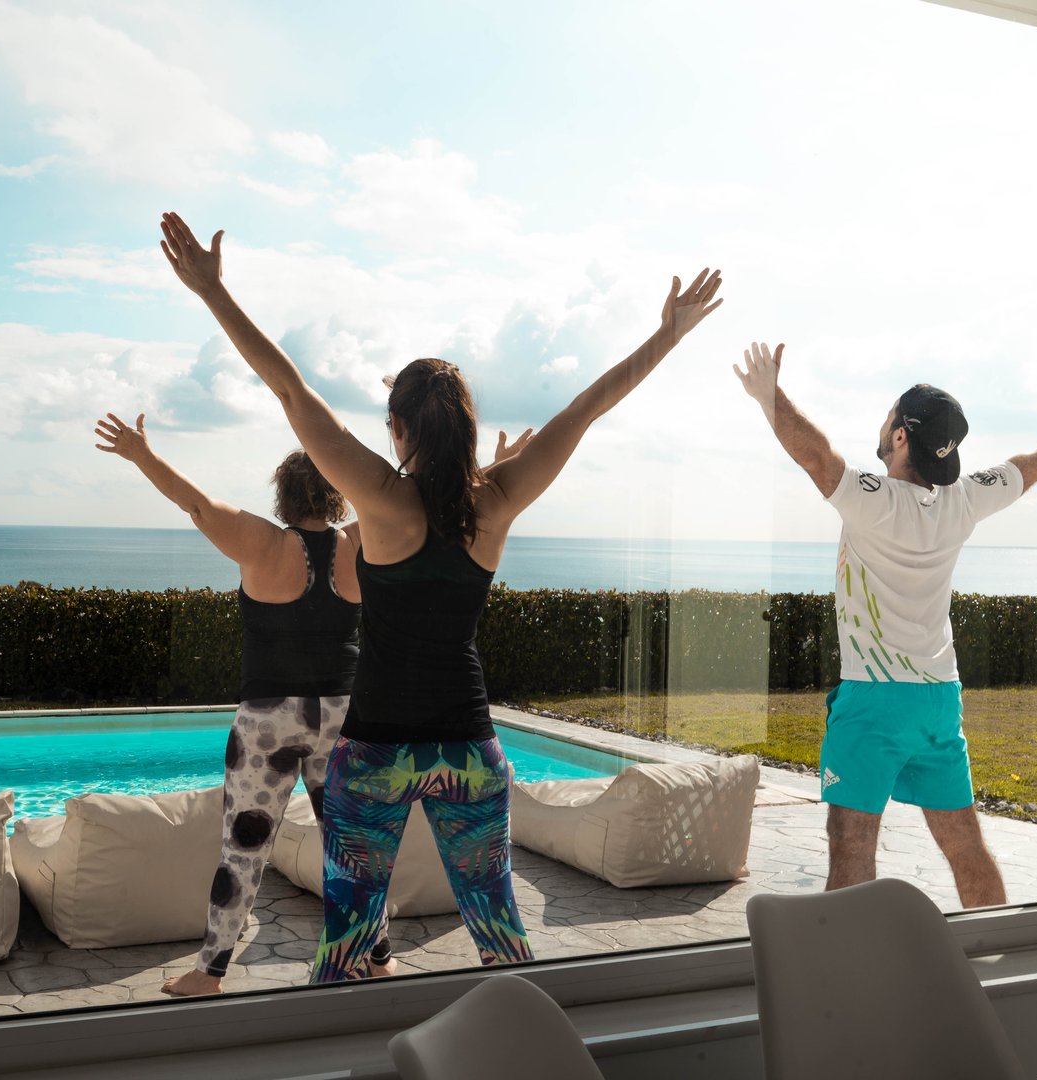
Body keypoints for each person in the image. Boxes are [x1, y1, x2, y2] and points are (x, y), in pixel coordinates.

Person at [155, 210, 722, 981]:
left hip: (376, 752)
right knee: (499, 933)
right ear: (466, 425)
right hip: (467, 746)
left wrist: (213, 293)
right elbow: (587, 407)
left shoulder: (382, 499)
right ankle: (528, 1034)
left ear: (396, 427)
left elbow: (288, 388)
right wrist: (669, 334)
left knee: (347, 947)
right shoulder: (499, 498)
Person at [732, 341, 1037, 907]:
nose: (882, 424)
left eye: (889, 417)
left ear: (902, 437)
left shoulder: (876, 501)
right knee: (964, 844)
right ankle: (995, 946)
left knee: (851, 843)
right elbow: (1035, 463)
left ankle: (851, 961)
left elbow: (817, 457)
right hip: (938, 699)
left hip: (875, 699)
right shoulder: (964, 501)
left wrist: (769, 397)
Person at [91, 411, 392, 994]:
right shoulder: (361, 539)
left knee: (244, 849)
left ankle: (209, 974)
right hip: (342, 713)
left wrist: (141, 454)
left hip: (269, 718)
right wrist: (489, 469)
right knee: (353, 846)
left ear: (283, 496)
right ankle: (378, 956)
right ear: (336, 492)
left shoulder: (264, 542)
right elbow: (423, 506)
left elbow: (196, 503)